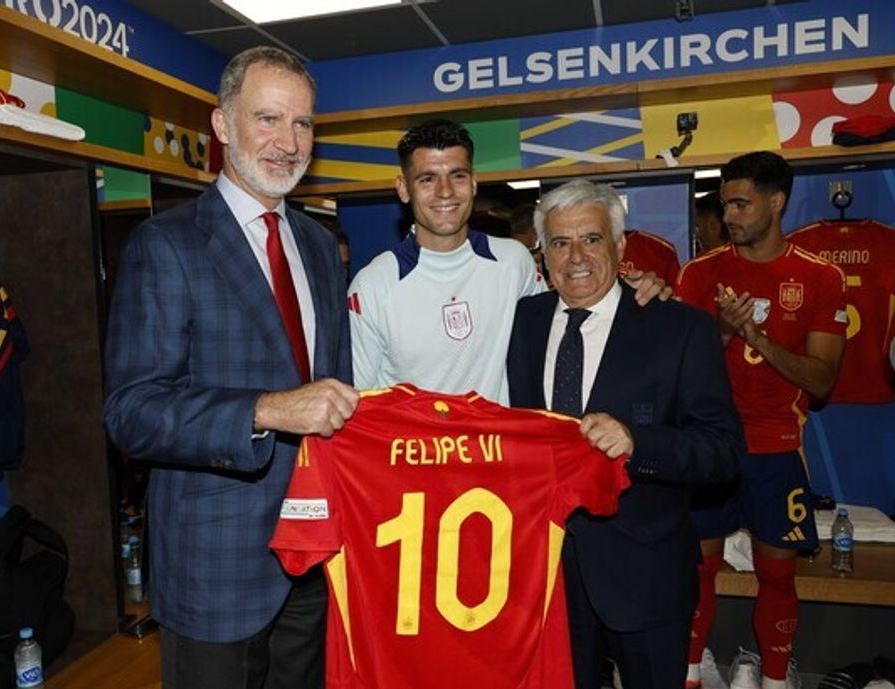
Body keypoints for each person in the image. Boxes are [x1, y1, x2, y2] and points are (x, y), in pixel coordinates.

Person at [103, 46, 358, 689]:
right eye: (268, 118)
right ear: (222, 126)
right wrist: (266, 409)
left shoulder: (321, 249)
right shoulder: (167, 244)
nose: (288, 142)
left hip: (313, 553)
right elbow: (131, 412)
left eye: (302, 124)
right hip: (215, 566)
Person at [506, 179, 744, 689]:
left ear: (619, 247)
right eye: (559, 243)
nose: (575, 257)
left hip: (646, 576)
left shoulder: (679, 329)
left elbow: (722, 451)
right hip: (545, 576)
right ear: (542, 254)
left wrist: (639, 442)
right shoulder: (523, 321)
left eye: (591, 239)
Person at [675, 152, 846, 689]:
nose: (729, 215)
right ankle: (690, 672)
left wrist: (757, 338)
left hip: (775, 450)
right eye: (725, 203)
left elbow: (820, 381)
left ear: (776, 203)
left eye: (742, 203)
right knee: (697, 569)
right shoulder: (700, 273)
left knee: (777, 571)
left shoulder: (819, 278)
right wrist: (724, 332)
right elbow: (678, 375)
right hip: (710, 448)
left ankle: (774, 678)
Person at [348, 119, 666, 402]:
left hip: (501, 462)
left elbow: (566, 317)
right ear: (403, 189)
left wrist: (628, 291)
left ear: (473, 182)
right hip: (415, 466)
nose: (445, 192)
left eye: (457, 176)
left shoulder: (513, 261)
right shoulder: (374, 284)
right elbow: (358, 401)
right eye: (427, 179)